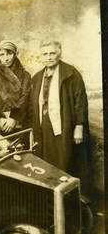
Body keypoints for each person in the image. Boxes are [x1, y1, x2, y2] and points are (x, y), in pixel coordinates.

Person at [29, 40, 90, 186]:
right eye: (45, 54)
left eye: (52, 53)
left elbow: (80, 100)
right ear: (41, 56)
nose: (49, 57)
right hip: (43, 127)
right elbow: (32, 107)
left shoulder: (71, 73)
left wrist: (79, 126)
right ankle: (49, 196)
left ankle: (66, 196)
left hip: (64, 125)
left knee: (64, 160)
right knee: (45, 162)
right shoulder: (37, 77)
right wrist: (33, 130)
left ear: (60, 52)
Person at [0, 40, 31, 134]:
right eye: (2, 55)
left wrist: (14, 118)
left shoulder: (25, 76)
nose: (6, 58)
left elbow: (25, 97)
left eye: (9, 53)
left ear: (15, 54)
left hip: (20, 120)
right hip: (1, 123)